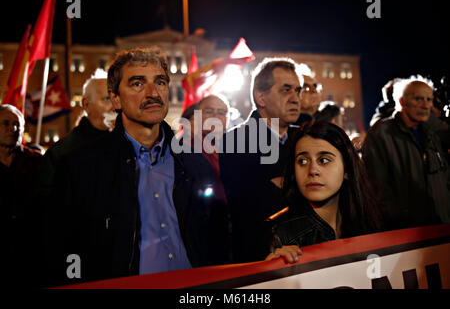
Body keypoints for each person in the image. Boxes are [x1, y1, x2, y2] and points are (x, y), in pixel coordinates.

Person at [41, 47, 209, 286]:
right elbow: (60, 246)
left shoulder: (193, 162)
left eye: (160, 82)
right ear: (115, 99)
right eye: (138, 84)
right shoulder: (81, 166)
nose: (153, 93)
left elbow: (217, 233)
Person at [219, 57, 303, 263]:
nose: (295, 98)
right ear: (261, 97)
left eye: (298, 91)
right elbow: (251, 209)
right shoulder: (235, 140)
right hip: (261, 260)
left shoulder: (303, 138)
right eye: (286, 90)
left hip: (308, 255)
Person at [266, 121, 383, 263]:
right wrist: (270, 269)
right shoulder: (278, 233)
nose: (313, 170)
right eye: (302, 161)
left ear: (347, 169)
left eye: (324, 160)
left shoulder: (369, 219)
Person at [362, 75, 450, 230]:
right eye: (418, 99)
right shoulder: (381, 134)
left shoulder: (435, 131)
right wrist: (396, 222)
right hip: (406, 231)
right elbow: (376, 187)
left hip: (440, 226)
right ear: (401, 101)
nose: (425, 105)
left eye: (429, 100)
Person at [37, 69, 117, 200]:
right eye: (107, 99)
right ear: (86, 104)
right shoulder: (61, 153)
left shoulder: (128, 145)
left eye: (117, 99)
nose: (114, 107)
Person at [180, 94, 232, 265]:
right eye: (209, 111)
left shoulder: (237, 148)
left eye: (222, 112)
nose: (216, 117)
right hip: (200, 235)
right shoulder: (183, 150)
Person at [0, 104, 43, 286]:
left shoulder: (37, 162)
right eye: (6, 123)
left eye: (17, 125)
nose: (13, 129)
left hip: (31, 253)